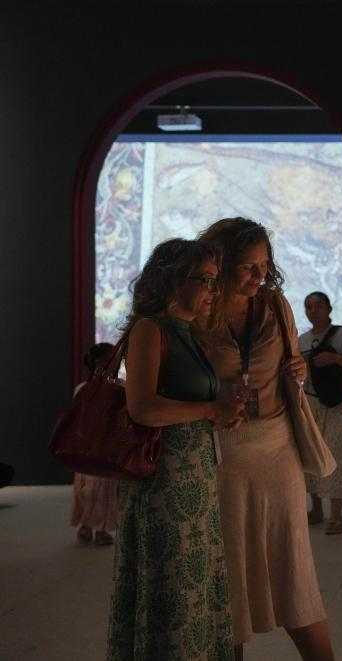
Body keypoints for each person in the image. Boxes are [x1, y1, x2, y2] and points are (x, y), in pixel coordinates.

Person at [198, 217, 335, 661]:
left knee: (293, 566)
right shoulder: (199, 310)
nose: (260, 275)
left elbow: (291, 366)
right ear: (220, 264)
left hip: (277, 447)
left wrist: (299, 370)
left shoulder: (275, 304)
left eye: (264, 264)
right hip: (222, 453)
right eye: (248, 266)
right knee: (229, 572)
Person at [107, 238, 242, 660]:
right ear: (173, 280)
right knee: (172, 592)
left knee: (196, 589)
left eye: (215, 281)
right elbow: (143, 407)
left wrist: (220, 413)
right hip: (164, 486)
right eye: (205, 280)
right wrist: (210, 409)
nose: (213, 291)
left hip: (195, 480)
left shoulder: (188, 331)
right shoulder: (151, 329)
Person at [298, 291, 342, 535]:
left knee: (337, 455)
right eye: (308, 306)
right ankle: (316, 510)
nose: (313, 310)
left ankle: (336, 515)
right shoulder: (301, 340)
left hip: (335, 404)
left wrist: (335, 358)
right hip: (310, 402)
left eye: (318, 305)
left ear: (328, 309)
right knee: (311, 454)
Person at [71, 342, 118, 546]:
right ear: (98, 362)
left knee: (103, 488)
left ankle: (100, 527)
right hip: (88, 446)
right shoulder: (84, 389)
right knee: (88, 488)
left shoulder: (118, 387)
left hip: (107, 447)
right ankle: (87, 525)